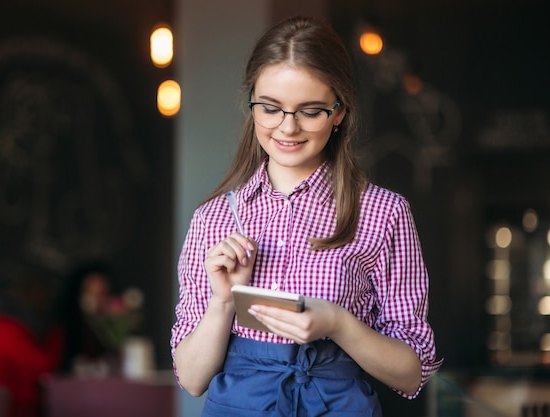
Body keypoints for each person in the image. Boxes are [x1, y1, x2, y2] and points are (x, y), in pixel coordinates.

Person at [170, 15, 442, 416]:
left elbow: (412, 373)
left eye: (310, 111)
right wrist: (223, 301)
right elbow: (192, 380)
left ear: (339, 112)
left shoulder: (384, 213)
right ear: (251, 104)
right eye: (270, 108)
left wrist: (336, 322)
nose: (287, 127)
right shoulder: (213, 219)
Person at [0, 264, 63, 417]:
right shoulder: (9, 330)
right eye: (46, 293)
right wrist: (58, 334)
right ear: (33, 293)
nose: (48, 300)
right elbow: (45, 373)